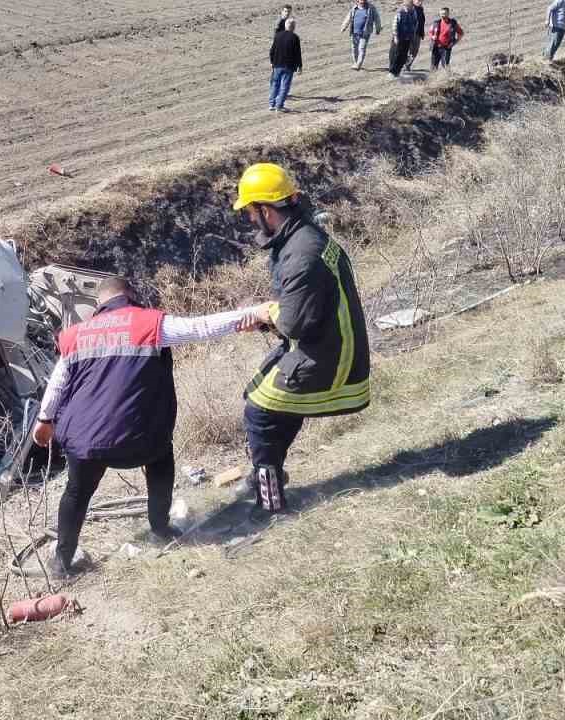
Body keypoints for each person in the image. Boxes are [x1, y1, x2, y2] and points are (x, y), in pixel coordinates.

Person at [30, 279, 269, 576]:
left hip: (84, 442)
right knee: (161, 460)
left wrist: (44, 421)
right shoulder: (149, 322)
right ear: (131, 296)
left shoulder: (76, 335)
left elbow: (57, 383)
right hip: (140, 441)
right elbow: (200, 327)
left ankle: (61, 562)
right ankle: (160, 527)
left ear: (98, 304)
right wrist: (252, 314)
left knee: (76, 493)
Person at [231, 163, 371, 516]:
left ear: (265, 210)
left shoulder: (301, 254)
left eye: (250, 211)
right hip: (327, 343)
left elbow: (293, 323)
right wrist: (272, 315)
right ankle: (267, 471)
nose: (249, 220)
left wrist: (267, 315)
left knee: (259, 414)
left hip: (330, 356)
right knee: (267, 399)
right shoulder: (303, 236)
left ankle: (270, 503)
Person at [270, 19, 304, 112]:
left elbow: (272, 50)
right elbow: (297, 53)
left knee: (275, 84)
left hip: (277, 64)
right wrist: (300, 66)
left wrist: (272, 61)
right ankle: (279, 105)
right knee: (284, 86)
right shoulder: (295, 37)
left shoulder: (277, 35)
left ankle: (271, 104)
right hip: (288, 66)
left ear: (285, 26)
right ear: (293, 27)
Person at [341, 0, 382, 70]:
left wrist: (378, 29)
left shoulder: (371, 8)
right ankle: (356, 62)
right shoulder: (354, 8)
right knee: (354, 48)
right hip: (354, 32)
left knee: (362, 48)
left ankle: (359, 64)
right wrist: (343, 27)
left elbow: (377, 19)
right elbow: (348, 18)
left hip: (365, 32)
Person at [389, 0, 419, 78]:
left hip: (408, 38)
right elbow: (395, 25)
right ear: (404, 5)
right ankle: (392, 71)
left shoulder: (414, 13)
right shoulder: (400, 13)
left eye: (410, 5)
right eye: (408, 5)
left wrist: (413, 35)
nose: (410, 6)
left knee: (403, 56)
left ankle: (398, 71)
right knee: (396, 55)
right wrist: (395, 37)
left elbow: (415, 24)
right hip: (399, 37)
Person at [405, 0, 426, 71]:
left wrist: (422, 33)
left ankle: (408, 65)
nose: (420, 1)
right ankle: (404, 65)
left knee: (415, 51)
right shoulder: (410, 8)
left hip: (418, 34)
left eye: (421, 0)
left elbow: (422, 22)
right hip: (410, 33)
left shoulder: (421, 9)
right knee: (409, 51)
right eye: (418, 0)